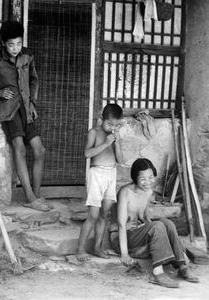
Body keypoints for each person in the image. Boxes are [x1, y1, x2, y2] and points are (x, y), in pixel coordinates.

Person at [0, 20, 49, 212]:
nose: (15, 48)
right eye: (11, 44)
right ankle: (30, 198)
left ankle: (35, 195)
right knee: (20, 148)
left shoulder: (28, 56)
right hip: (9, 111)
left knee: (40, 150)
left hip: (26, 109)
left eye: (19, 44)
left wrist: (32, 102)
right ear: (4, 43)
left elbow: (33, 80)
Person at [110, 158, 198, 288]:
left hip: (137, 232)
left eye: (151, 177)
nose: (148, 182)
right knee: (158, 226)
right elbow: (122, 224)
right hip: (122, 237)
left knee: (166, 223)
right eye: (143, 179)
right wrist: (124, 254)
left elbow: (144, 216)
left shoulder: (148, 191)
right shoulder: (125, 192)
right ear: (135, 178)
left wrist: (157, 230)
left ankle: (182, 266)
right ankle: (158, 273)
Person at [76, 104, 124, 262]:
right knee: (93, 214)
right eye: (110, 124)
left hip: (111, 174)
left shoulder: (116, 135)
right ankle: (80, 249)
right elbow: (87, 153)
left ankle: (97, 248)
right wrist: (105, 144)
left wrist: (116, 143)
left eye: (117, 125)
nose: (113, 128)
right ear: (102, 119)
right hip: (96, 174)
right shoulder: (94, 132)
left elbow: (121, 159)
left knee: (104, 214)